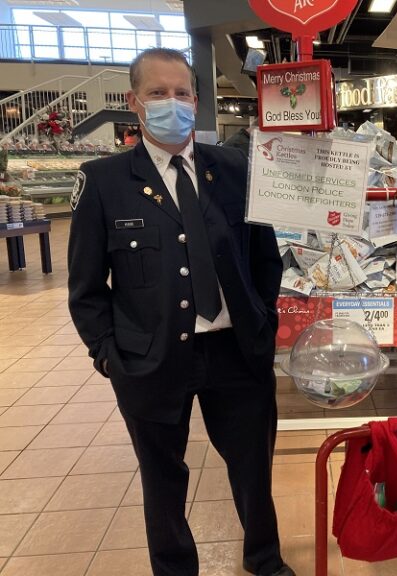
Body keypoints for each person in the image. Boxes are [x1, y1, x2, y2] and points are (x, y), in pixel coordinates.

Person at [68, 48, 291, 576]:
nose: (174, 103)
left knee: (253, 469)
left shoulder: (235, 169)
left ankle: (266, 560)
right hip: (152, 357)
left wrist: (263, 322)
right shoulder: (103, 181)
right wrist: (109, 355)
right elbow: (85, 287)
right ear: (134, 102)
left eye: (183, 92)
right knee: (162, 476)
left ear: (197, 98)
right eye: (158, 93)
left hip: (237, 352)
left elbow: (264, 259)